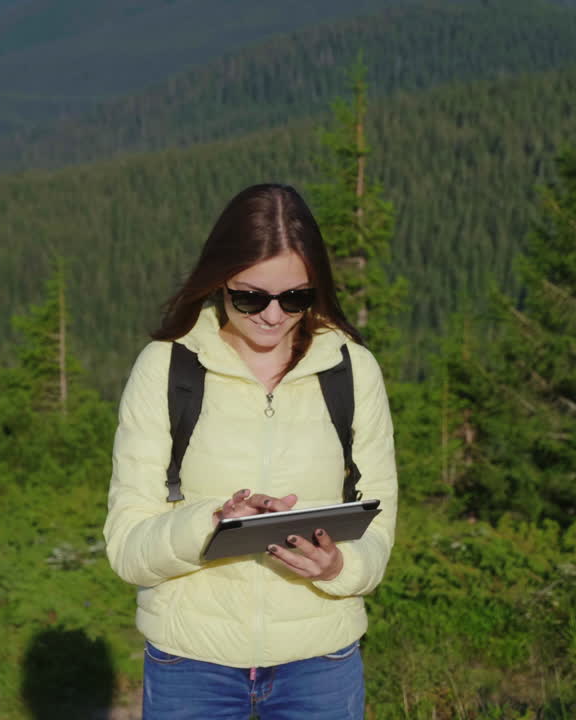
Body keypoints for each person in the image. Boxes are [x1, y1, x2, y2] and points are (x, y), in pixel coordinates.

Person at [103, 183, 398, 719]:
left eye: (295, 297)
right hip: (190, 664)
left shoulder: (351, 370)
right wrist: (210, 524)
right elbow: (126, 549)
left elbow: (377, 524)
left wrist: (336, 566)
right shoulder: (167, 368)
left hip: (321, 663)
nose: (272, 315)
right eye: (249, 296)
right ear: (218, 283)